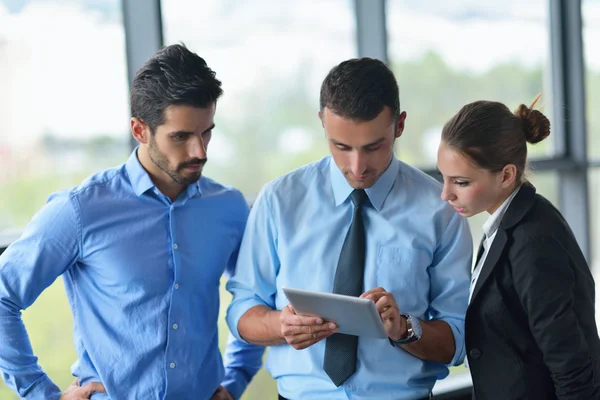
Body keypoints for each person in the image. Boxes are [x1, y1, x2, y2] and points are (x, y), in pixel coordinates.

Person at [0, 44, 264, 400]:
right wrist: (40, 393)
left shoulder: (229, 208)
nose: (200, 151)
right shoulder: (81, 210)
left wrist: (236, 378)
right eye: (181, 136)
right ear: (140, 130)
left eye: (206, 132)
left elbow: (257, 295)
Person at [225, 57, 473, 400]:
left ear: (399, 126)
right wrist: (280, 326)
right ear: (322, 124)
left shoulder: (441, 210)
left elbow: (457, 341)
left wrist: (403, 328)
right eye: (341, 147)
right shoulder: (279, 200)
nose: (357, 167)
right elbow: (242, 310)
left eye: (373, 147)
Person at [436, 97, 600, 399]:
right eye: (443, 178)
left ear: (507, 175)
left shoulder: (534, 241)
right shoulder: (506, 225)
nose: (446, 194)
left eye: (460, 182)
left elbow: (572, 367)